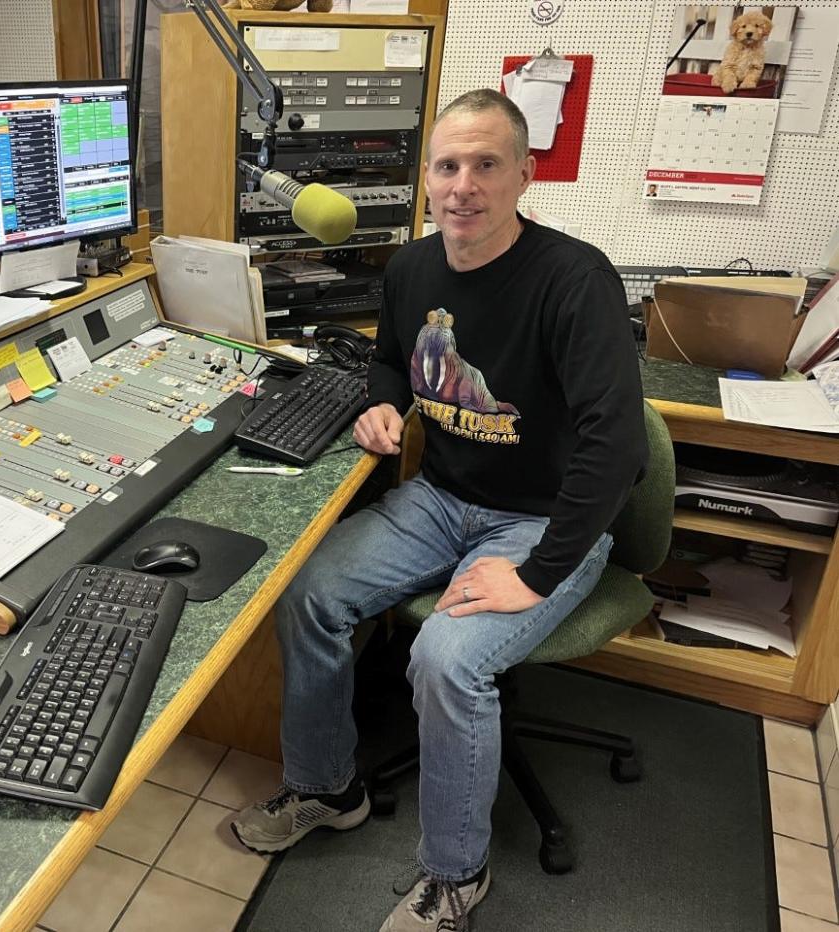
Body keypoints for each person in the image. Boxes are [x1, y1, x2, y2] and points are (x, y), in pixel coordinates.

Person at [231, 89, 648, 931]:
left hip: (546, 521)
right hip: (443, 499)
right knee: (307, 596)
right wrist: (383, 405)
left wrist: (536, 575)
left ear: (526, 175)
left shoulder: (575, 281)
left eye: (487, 164)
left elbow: (618, 453)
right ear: (427, 178)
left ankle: (455, 874)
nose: (464, 185)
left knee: (446, 662)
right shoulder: (414, 269)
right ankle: (327, 788)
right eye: (449, 165)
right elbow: (390, 361)